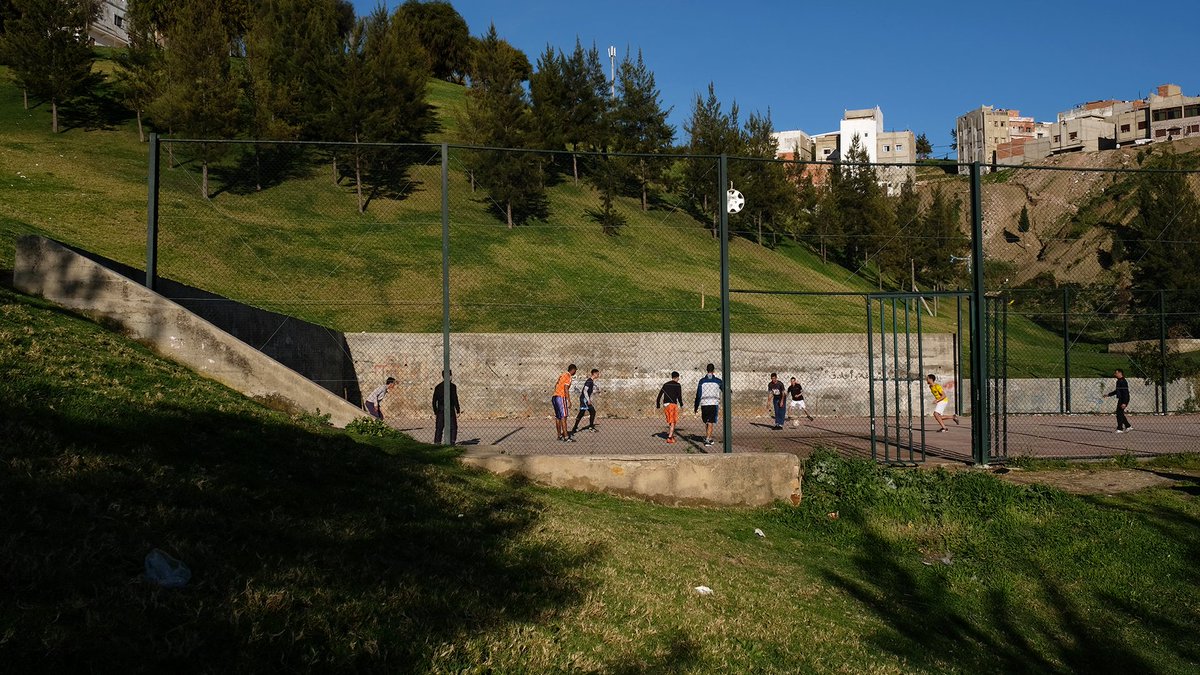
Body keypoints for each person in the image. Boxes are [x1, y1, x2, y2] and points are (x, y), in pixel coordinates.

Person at [694, 363, 722, 447]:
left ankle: (708, 437)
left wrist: (696, 406)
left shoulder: (702, 381)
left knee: (707, 421)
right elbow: (725, 388)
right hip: (713, 404)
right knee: (710, 422)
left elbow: (698, 394)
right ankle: (707, 439)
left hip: (704, 404)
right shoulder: (718, 381)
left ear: (707, 370)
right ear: (713, 370)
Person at [432, 371, 461, 445]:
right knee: (453, 427)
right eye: (451, 375)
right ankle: (451, 441)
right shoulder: (453, 386)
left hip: (441, 409)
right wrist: (457, 409)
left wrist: (435, 411)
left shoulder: (438, 387)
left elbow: (434, 400)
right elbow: (455, 398)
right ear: (449, 376)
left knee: (439, 427)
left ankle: (437, 442)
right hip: (450, 408)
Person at [570, 369, 601, 436]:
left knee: (584, 413)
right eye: (597, 374)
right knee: (590, 412)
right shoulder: (589, 381)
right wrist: (588, 399)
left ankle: (575, 427)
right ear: (594, 374)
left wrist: (596, 392)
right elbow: (585, 391)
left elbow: (589, 391)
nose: (598, 375)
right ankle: (590, 427)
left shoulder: (591, 381)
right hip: (584, 400)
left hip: (585, 399)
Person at [656, 371, 684, 444]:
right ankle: (669, 437)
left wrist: (658, 404)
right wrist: (681, 404)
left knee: (670, 420)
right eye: (678, 378)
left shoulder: (666, 384)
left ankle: (670, 434)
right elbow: (679, 396)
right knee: (673, 421)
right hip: (672, 404)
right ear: (677, 377)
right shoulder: (678, 385)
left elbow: (660, 394)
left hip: (666, 404)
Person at [553, 364, 577, 442]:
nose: (575, 372)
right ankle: (566, 437)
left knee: (558, 417)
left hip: (555, 397)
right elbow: (566, 388)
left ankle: (559, 435)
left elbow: (556, 384)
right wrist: (568, 400)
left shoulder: (562, 375)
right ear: (573, 370)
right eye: (575, 370)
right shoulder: (568, 376)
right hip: (561, 397)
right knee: (564, 417)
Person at [1105, 369, 1132, 433]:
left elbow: (1125, 393)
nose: (1115, 374)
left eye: (1116, 373)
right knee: (1120, 413)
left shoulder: (1122, 381)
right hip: (1121, 398)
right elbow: (1117, 391)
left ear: (1120, 373)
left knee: (1119, 413)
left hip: (1123, 399)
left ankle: (1120, 429)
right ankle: (1128, 426)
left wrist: (1124, 403)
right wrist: (1109, 394)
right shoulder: (1119, 381)